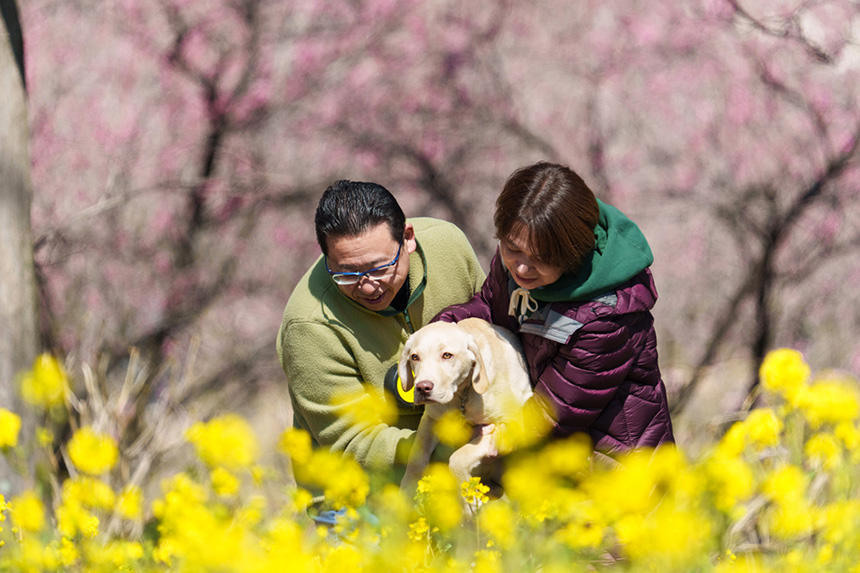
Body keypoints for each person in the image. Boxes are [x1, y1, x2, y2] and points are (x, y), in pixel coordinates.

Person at [435, 161, 674, 456]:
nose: (521, 268)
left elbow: (552, 414)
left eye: (540, 257)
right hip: (554, 452)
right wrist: (439, 335)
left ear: (574, 251)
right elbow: (489, 307)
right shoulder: (520, 258)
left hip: (613, 463)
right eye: (511, 248)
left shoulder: (607, 314)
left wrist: (486, 437)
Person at [276, 179, 485, 473]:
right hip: (365, 485)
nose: (367, 286)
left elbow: (488, 333)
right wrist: (447, 444)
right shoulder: (309, 325)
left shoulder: (448, 248)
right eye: (347, 274)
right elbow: (352, 442)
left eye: (380, 268)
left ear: (408, 238)